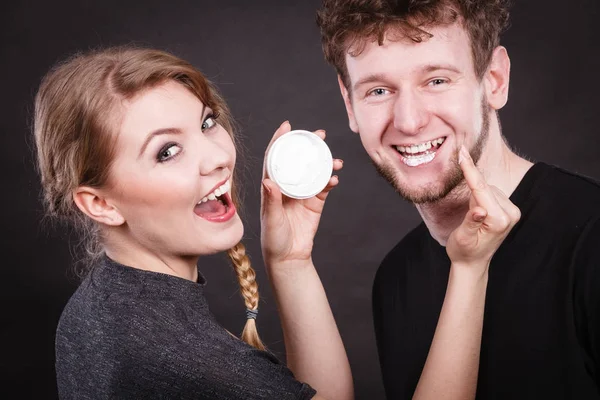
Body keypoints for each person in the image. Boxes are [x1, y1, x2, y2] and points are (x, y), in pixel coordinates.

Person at [34, 45, 517, 400]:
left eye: (205, 124)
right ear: (99, 204)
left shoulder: (97, 310)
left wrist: (289, 261)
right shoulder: (184, 360)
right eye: (167, 151)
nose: (217, 159)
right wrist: (469, 269)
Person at [316, 0, 600, 398]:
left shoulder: (591, 236)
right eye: (378, 90)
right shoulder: (395, 279)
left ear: (495, 80)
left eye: (437, 81)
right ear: (350, 104)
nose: (409, 121)